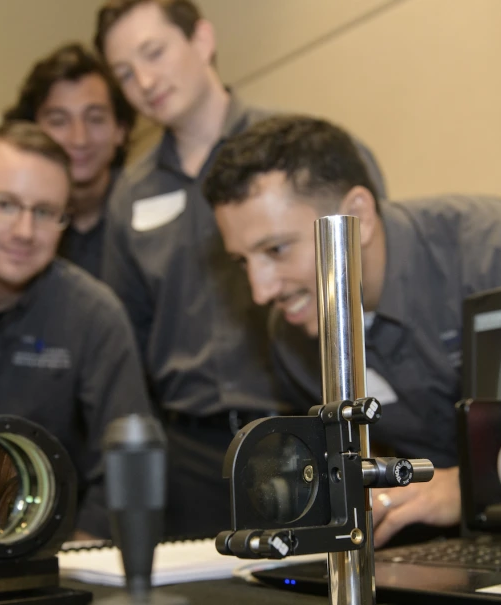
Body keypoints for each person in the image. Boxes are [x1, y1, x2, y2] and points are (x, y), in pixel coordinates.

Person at [94, 0, 389, 538]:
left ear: (202, 40)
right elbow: (126, 339)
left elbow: (368, 282)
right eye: (123, 73)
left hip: (298, 431)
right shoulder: (130, 195)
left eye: (153, 52)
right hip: (188, 450)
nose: (143, 80)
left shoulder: (298, 155)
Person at [204, 115, 501, 547]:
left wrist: (470, 486)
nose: (260, 291)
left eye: (276, 249)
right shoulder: (292, 339)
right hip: (430, 548)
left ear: (357, 213)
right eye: (243, 262)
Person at [0, 121, 153, 539]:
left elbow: (125, 466)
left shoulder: (93, 315)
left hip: (47, 557)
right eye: (5, 204)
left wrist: (77, 563)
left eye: (44, 212)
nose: (24, 231)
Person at [2, 42, 136, 278]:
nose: (79, 138)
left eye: (95, 119)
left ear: (121, 131)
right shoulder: (7, 221)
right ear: (32, 130)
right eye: (59, 121)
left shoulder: (144, 215)